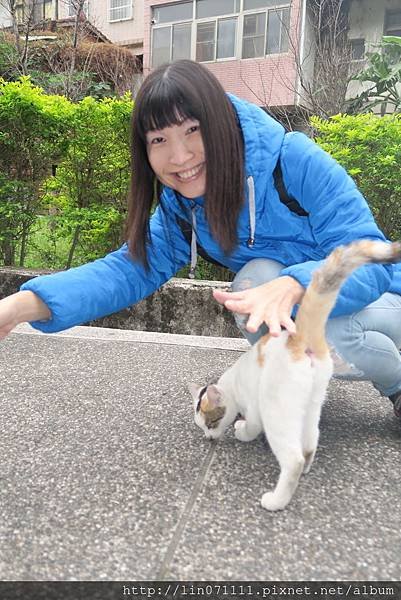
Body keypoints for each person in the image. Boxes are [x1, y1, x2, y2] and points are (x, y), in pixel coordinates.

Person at [0, 59, 400, 423]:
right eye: (158, 140)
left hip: (383, 301)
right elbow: (129, 268)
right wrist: (20, 307)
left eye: (193, 129)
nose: (179, 156)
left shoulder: (291, 160)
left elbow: (371, 256)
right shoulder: (184, 207)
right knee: (254, 279)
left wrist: (295, 285)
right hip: (316, 305)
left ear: (220, 122)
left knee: (326, 330)